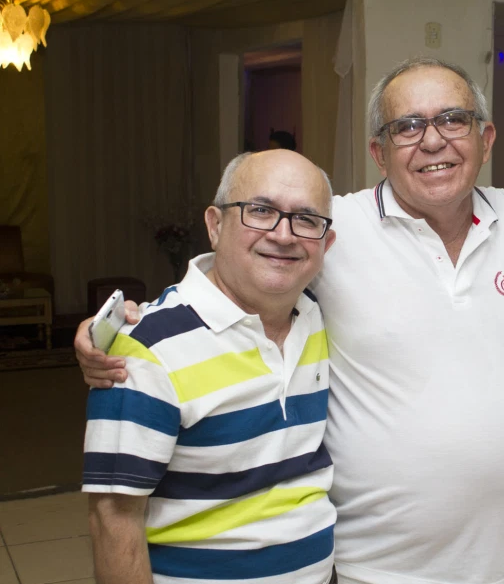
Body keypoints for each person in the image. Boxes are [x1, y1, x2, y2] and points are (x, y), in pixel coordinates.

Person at [75, 59, 504, 584]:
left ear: (486, 136)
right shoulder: (334, 228)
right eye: (407, 126)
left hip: (500, 563)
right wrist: (129, 326)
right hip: (365, 565)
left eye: (452, 119)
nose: (433, 140)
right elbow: (249, 261)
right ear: (379, 151)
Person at [83, 150, 339, 584]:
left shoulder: (317, 316)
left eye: (306, 219)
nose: (283, 235)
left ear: (326, 243)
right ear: (215, 225)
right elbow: (113, 518)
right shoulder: (146, 349)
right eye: (260, 211)